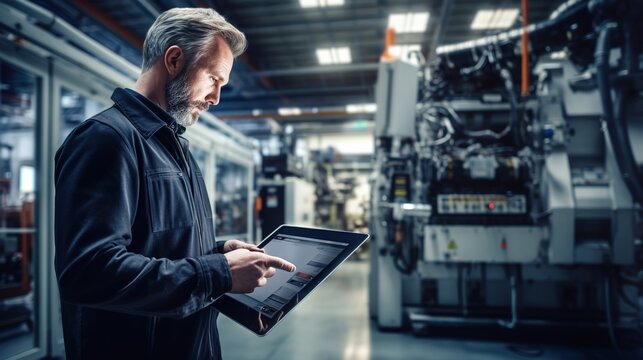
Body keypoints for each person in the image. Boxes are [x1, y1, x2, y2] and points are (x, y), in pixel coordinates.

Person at [54, 8, 295, 360]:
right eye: (213, 79)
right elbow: (89, 271)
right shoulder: (106, 139)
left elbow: (155, 244)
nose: (215, 98)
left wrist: (217, 252)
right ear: (174, 59)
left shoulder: (174, 146)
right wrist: (219, 273)